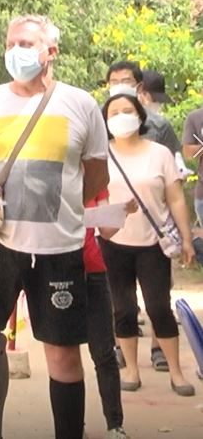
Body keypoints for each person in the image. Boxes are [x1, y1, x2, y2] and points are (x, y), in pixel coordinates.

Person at [0, 14, 109, 439]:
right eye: (10, 44)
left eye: (25, 43)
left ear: (50, 51)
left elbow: (97, 176)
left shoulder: (80, 104)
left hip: (58, 250)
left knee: (63, 354)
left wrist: (59, 207)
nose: (15, 52)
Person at [99, 93, 196, 397]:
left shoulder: (160, 153)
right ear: (105, 120)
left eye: (127, 110)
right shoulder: (99, 156)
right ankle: (131, 369)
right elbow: (90, 197)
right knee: (123, 309)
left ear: (141, 116)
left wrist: (187, 238)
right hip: (113, 242)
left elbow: (176, 198)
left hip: (153, 244)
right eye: (114, 112)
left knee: (159, 307)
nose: (121, 116)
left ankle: (176, 373)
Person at [83, 190, 135, 439]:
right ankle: (71, 424)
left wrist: (124, 211)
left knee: (104, 353)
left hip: (93, 269)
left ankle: (115, 425)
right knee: (65, 356)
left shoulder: (96, 181)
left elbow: (105, 230)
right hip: (59, 270)